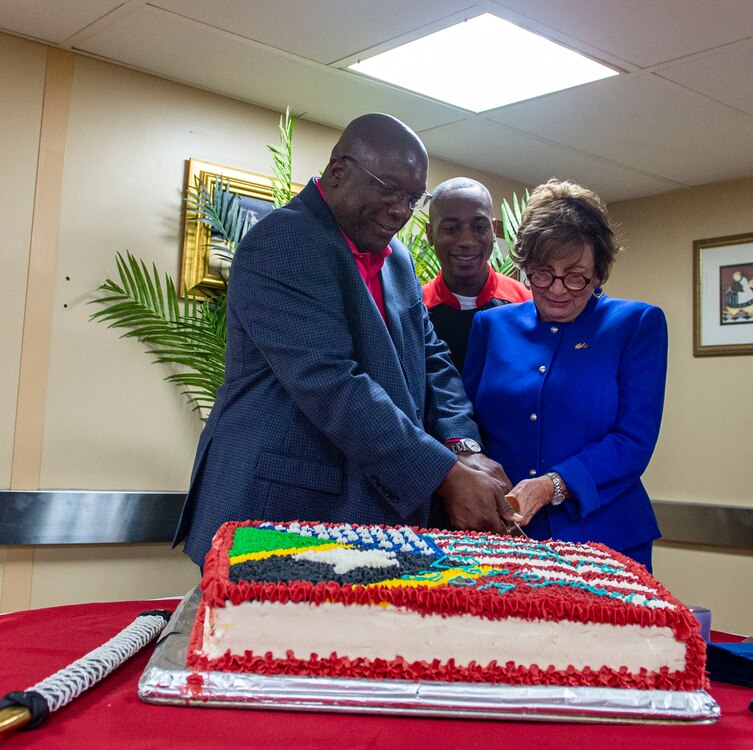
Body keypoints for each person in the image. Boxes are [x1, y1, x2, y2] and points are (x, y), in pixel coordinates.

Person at [174, 113, 513, 567]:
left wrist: (462, 448)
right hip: (277, 509)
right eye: (388, 189)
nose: (400, 209)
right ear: (338, 171)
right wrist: (443, 473)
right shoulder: (284, 241)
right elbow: (333, 382)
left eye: (413, 197)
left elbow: (431, 358)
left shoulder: (399, 259)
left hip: (369, 518)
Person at [462, 179, 668, 570]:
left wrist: (551, 485)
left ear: (598, 272)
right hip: (505, 539)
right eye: (542, 273)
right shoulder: (490, 327)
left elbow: (634, 439)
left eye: (575, 275)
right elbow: (468, 424)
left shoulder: (637, 324)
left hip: (606, 539)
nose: (557, 289)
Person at [422, 178, 532, 373]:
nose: (466, 241)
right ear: (430, 233)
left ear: (492, 229)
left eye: (479, 227)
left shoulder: (526, 303)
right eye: (451, 229)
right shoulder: (417, 309)